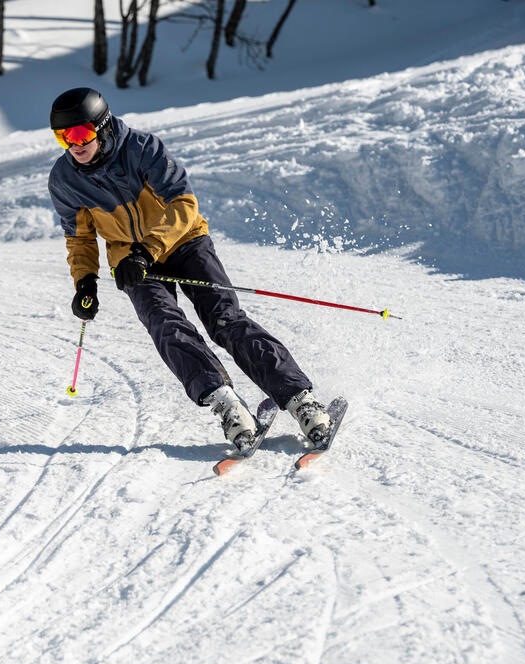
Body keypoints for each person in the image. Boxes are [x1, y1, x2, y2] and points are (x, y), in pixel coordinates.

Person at [47, 87, 330, 451]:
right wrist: (85, 282)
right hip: (132, 262)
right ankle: (224, 402)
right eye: (63, 137)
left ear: (101, 127)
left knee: (224, 320)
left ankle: (299, 398)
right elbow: (79, 237)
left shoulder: (142, 149)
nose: (74, 145)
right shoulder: (65, 180)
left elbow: (183, 203)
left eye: (81, 133)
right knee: (165, 324)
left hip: (182, 241)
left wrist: (148, 250)